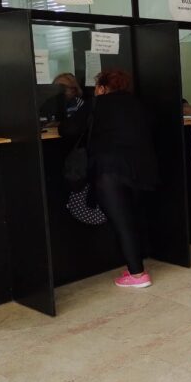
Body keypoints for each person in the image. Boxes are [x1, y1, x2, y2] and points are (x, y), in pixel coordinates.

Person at [60, 68, 158, 287]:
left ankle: (137, 274)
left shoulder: (97, 104)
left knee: (123, 222)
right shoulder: (137, 104)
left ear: (102, 87)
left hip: (110, 172)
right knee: (131, 219)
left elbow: (68, 129)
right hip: (141, 172)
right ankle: (135, 267)